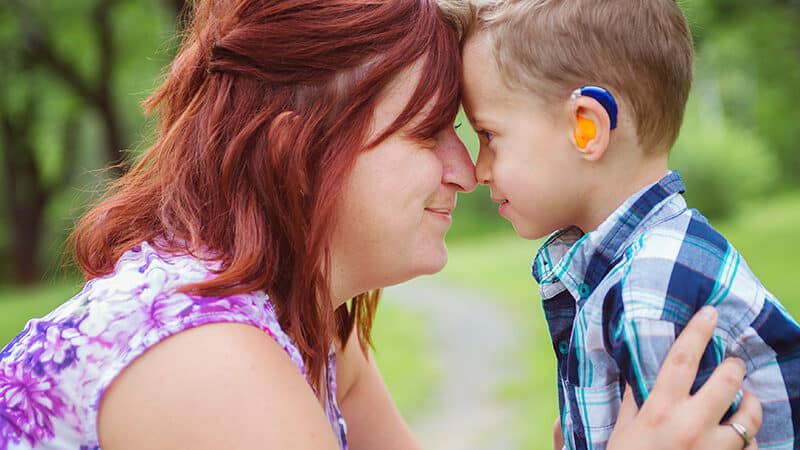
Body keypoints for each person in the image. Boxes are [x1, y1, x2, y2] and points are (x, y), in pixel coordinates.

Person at [0, 0, 763, 449]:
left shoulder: (308, 320)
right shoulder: (210, 364)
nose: (466, 170)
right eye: (429, 131)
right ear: (302, 146)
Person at [450, 0, 800, 448]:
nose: (478, 169)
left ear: (587, 128)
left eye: (489, 136)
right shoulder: (639, 268)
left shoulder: (650, 290)